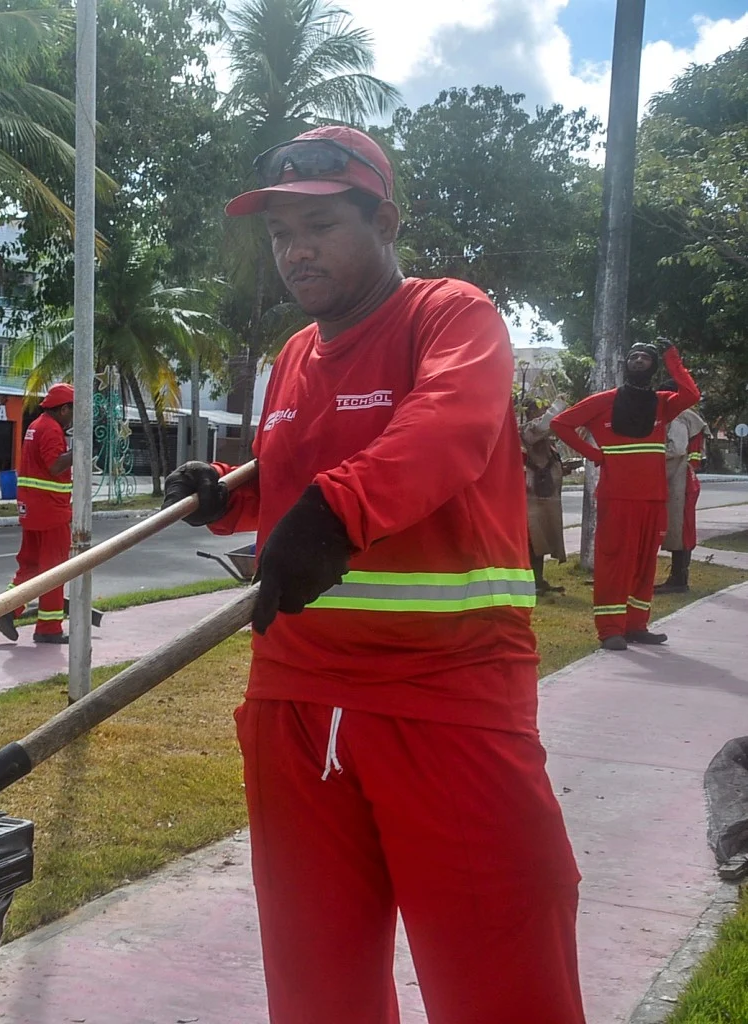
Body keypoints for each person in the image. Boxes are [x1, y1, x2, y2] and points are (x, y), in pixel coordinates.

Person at [164, 124, 584, 1024]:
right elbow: (296, 473)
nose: (294, 250)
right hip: (296, 699)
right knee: (319, 988)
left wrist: (338, 511)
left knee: (503, 983)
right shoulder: (292, 356)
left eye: (318, 225)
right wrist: (231, 499)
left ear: (385, 219)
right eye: (279, 232)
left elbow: (445, 431)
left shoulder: (451, 314)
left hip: (446, 698)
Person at [550, 341, 699, 649]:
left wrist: (673, 358)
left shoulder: (662, 403)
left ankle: (636, 626)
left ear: (653, 366)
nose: (639, 360)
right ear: (625, 364)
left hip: (654, 498)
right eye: (633, 356)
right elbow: (560, 423)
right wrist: (594, 453)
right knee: (615, 562)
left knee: (645, 563)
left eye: (645, 356)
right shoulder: (604, 401)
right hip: (616, 497)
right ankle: (610, 630)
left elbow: (692, 395)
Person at [0, 383, 74, 644]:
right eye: (74, 411)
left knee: (30, 566)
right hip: (51, 510)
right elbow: (55, 466)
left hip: (32, 508)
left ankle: (8, 608)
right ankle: (49, 628)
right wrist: (80, 452)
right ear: (64, 409)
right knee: (55, 570)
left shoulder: (36, 426)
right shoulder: (52, 430)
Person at [657, 406, 708, 594]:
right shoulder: (689, 416)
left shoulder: (678, 417)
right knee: (681, 528)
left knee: (680, 529)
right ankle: (678, 577)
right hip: (685, 479)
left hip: (682, 481)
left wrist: (649, 453)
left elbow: (676, 448)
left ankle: (679, 579)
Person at [522, 397, 569, 595]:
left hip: (547, 497)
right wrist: (559, 405)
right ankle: (530, 581)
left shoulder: (548, 440)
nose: (544, 413)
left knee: (544, 537)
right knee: (533, 538)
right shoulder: (526, 430)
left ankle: (539, 579)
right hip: (532, 496)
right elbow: (541, 427)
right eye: (540, 410)